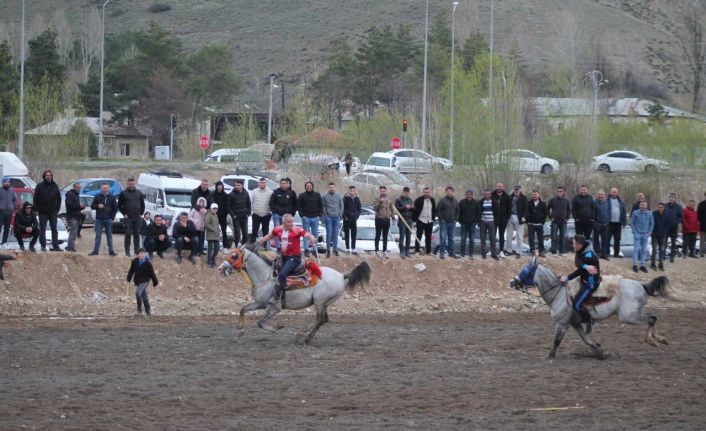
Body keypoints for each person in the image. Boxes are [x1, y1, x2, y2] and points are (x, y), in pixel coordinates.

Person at [259, 214, 317, 306]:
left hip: (294, 257)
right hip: (283, 256)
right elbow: (270, 235)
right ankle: (274, 289)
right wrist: (262, 240)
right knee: (272, 270)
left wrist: (312, 238)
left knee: (282, 275)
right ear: (284, 222)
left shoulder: (297, 230)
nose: (291, 224)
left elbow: (306, 234)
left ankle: (277, 297)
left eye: (292, 222)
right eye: (289, 222)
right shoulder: (278, 229)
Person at [560, 234, 600, 323]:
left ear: (579, 244)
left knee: (576, 305)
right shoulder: (581, 250)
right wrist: (586, 267)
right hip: (583, 278)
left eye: (574, 243)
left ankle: (589, 320)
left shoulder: (589, 256)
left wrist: (567, 278)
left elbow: (579, 270)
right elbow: (577, 262)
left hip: (590, 283)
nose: (572, 245)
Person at [33, 170, 62, 251]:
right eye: (47, 175)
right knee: (42, 229)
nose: (49, 176)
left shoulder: (55, 186)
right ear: (44, 176)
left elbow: (59, 198)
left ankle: (55, 246)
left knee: (54, 229)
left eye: (50, 175)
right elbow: (35, 198)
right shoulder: (39, 186)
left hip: (53, 212)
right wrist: (37, 209)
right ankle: (43, 245)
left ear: (52, 176)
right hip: (43, 212)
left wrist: (57, 209)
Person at [118, 177, 146, 257]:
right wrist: (124, 214)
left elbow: (142, 204)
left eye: (133, 184)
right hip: (128, 217)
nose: (132, 185)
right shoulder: (123, 193)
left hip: (137, 217)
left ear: (135, 184)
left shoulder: (139, 193)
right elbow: (119, 205)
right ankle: (127, 252)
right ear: (127, 184)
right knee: (128, 234)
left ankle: (137, 251)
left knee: (137, 234)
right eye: (130, 184)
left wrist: (141, 213)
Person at [126, 248, 159, 317]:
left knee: (138, 293)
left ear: (145, 254)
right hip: (137, 281)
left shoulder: (148, 263)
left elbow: (152, 273)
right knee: (143, 295)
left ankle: (139, 310)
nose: (141, 255)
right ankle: (148, 311)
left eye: (143, 253)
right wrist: (129, 278)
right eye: (140, 253)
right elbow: (131, 270)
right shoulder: (134, 261)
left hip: (145, 281)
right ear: (138, 254)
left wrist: (155, 281)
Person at [89, 183, 118, 256]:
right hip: (99, 219)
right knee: (98, 235)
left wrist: (112, 218)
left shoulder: (112, 197)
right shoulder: (97, 196)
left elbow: (115, 209)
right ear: (101, 189)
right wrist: (98, 206)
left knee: (109, 236)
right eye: (104, 188)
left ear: (109, 189)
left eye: (107, 188)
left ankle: (111, 251)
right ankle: (95, 251)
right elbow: (92, 206)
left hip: (108, 219)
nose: (106, 189)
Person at [269, 178, 297, 248]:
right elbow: (271, 203)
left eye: (284, 184)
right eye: (282, 184)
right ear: (280, 184)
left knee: (286, 231)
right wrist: (274, 212)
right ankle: (278, 247)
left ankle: (285, 246)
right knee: (278, 231)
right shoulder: (275, 192)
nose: (283, 185)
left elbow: (295, 204)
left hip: (287, 216)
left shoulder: (291, 193)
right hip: (277, 215)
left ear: (287, 184)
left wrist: (292, 213)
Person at [298, 181, 323, 257]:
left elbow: (321, 206)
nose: (309, 187)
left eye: (310, 186)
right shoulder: (302, 195)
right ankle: (306, 250)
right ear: (305, 187)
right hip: (306, 218)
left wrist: (319, 215)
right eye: (307, 186)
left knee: (315, 235)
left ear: (312, 187)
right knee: (306, 235)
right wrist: (302, 216)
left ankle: (314, 250)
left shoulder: (317, 195)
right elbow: (299, 207)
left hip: (315, 217)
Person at [630, 200, 654, 273]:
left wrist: (649, 233)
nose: (642, 206)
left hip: (645, 234)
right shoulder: (635, 213)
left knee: (644, 250)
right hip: (637, 233)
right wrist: (635, 232)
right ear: (639, 205)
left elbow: (651, 224)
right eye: (641, 205)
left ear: (646, 206)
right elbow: (632, 223)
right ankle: (634, 265)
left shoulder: (649, 213)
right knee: (636, 250)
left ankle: (642, 265)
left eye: (644, 205)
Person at [437, 186, 460, 259]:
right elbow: (438, 210)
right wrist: (442, 219)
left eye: (450, 191)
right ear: (445, 192)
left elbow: (458, 211)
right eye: (447, 191)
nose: (449, 192)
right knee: (443, 238)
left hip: (452, 222)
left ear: (452, 192)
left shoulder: (455, 201)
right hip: (444, 222)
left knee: (452, 238)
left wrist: (456, 219)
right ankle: (442, 253)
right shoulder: (442, 200)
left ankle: (452, 253)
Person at [505, 184, 527, 258]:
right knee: (509, 235)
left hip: (519, 218)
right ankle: (509, 250)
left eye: (517, 189)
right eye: (515, 189)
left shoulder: (524, 198)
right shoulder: (510, 197)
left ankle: (519, 251)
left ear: (520, 190)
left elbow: (526, 209)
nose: (516, 191)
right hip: (510, 218)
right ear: (513, 190)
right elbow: (506, 207)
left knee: (519, 236)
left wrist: (524, 216)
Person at [547, 186, 571, 255]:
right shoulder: (552, 200)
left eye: (561, 191)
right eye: (558, 191)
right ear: (556, 192)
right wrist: (550, 217)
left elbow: (569, 211)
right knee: (554, 236)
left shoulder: (566, 200)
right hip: (555, 221)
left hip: (563, 222)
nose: (559, 192)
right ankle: (553, 250)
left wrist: (567, 219)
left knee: (562, 236)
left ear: (563, 192)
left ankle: (561, 250)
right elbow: (547, 209)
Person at [413, 187, 437, 255]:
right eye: (425, 192)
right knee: (419, 236)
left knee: (428, 237)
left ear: (430, 192)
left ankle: (428, 251)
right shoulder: (418, 200)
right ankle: (417, 251)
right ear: (423, 192)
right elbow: (414, 211)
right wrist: (415, 221)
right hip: (421, 220)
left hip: (429, 221)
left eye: (428, 192)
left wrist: (433, 218)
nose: (427, 193)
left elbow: (434, 210)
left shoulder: (432, 200)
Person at [322, 182, 343, 257]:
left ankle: (335, 249)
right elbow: (323, 206)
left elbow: (341, 206)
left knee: (336, 234)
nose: (331, 189)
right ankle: (328, 250)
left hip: (337, 218)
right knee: (329, 234)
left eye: (333, 187)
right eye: (330, 187)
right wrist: (326, 215)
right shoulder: (324, 196)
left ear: (335, 188)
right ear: (328, 188)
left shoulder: (338, 196)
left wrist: (340, 215)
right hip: (329, 218)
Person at [250, 178, 273, 245]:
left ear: (266, 183)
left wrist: (270, 212)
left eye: (263, 183)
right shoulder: (254, 191)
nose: (262, 184)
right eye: (261, 182)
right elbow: (251, 202)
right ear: (258, 183)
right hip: (256, 214)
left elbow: (272, 203)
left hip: (266, 214)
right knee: (254, 231)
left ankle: (265, 247)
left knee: (265, 232)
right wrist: (252, 212)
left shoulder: (270, 192)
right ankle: (252, 246)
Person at [228, 180, 251, 247]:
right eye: (236, 185)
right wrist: (233, 215)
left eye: (238, 185)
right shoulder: (231, 194)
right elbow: (228, 206)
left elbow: (249, 204)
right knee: (237, 234)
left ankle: (243, 246)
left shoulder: (246, 193)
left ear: (242, 186)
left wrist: (248, 213)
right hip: (236, 217)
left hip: (244, 216)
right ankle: (236, 246)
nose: (237, 187)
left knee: (245, 234)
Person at [373, 185, 394, 258]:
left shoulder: (389, 199)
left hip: (387, 219)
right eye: (381, 191)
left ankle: (384, 250)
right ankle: (376, 250)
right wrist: (380, 202)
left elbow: (391, 208)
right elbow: (375, 208)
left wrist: (392, 215)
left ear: (386, 191)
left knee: (385, 236)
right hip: (379, 219)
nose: (382, 192)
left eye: (383, 191)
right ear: (379, 191)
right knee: (378, 235)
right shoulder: (377, 198)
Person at [491, 183, 512, 257]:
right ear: (496, 187)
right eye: (498, 186)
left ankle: (501, 251)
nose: (499, 187)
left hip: (503, 219)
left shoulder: (507, 197)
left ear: (503, 188)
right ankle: (492, 250)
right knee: (492, 235)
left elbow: (509, 209)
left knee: (501, 235)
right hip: (494, 218)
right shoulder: (492, 195)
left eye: (500, 186)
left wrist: (507, 218)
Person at [458, 189, 480, 259]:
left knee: (472, 239)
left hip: (472, 224)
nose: (469, 195)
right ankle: (462, 253)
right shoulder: (461, 202)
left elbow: (478, 213)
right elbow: (458, 212)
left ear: (472, 195)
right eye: (467, 194)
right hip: (464, 224)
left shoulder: (476, 203)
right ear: (466, 195)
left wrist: (475, 222)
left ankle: (471, 254)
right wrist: (460, 221)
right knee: (463, 239)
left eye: (470, 194)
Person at [64, 182, 85, 252]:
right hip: (72, 216)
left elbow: (75, 207)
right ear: (74, 187)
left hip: (76, 216)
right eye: (78, 187)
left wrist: (81, 208)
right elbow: (69, 205)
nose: (79, 189)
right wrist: (79, 206)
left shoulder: (76, 195)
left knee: (74, 233)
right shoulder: (70, 195)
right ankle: (70, 248)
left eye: (80, 187)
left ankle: (71, 247)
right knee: (73, 232)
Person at [479, 189, 499, 260]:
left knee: (493, 239)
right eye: (485, 194)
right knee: (483, 239)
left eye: (488, 194)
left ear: (490, 195)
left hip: (491, 222)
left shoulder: (494, 202)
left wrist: (495, 221)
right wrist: (479, 221)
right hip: (483, 222)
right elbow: (479, 212)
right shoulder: (481, 202)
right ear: (484, 195)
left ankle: (494, 254)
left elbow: (497, 212)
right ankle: (483, 254)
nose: (487, 195)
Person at [607, 187, 627, 258]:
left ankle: (616, 254)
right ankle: (607, 253)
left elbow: (624, 211)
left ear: (617, 193)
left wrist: (624, 222)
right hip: (609, 223)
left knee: (617, 239)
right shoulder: (607, 200)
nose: (614, 193)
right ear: (610, 192)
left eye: (615, 192)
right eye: (612, 192)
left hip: (618, 223)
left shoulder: (620, 201)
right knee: (607, 238)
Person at [395, 187, 415, 258]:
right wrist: (405, 207)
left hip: (409, 219)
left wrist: (412, 207)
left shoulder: (410, 200)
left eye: (408, 193)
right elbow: (396, 209)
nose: (406, 194)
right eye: (405, 193)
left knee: (409, 236)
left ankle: (407, 251)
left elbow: (414, 209)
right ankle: (402, 252)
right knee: (402, 236)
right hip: (402, 220)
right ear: (403, 192)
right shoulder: (398, 200)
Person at [527, 189, 547, 257]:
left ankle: (541, 251)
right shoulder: (528, 203)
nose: (534, 196)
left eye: (535, 194)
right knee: (531, 238)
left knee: (540, 238)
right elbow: (526, 213)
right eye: (533, 194)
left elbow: (545, 214)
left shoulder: (543, 204)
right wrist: (528, 222)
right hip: (531, 224)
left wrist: (542, 222)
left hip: (539, 224)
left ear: (538, 195)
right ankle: (532, 251)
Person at [210, 181, 231, 248]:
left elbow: (227, 205)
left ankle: (225, 246)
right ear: (216, 187)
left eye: (221, 186)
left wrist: (226, 212)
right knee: (214, 231)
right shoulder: (213, 194)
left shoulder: (226, 195)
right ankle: (214, 245)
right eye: (218, 186)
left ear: (222, 187)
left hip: (223, 216)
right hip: (215, 216)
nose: (219, 187)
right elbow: (211, 204)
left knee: (224, 231)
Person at [664, 193, 683, 262]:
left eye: (673, 197)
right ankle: (663, 255)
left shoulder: (679, 207)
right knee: (664, 242)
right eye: (671, 197)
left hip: (674, 227)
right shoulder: (665, 206)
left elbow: (681, 217)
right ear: (669, 198)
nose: (672, 199)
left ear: (675, 199)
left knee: (673, 243)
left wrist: (676, 222)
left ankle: (672, 256)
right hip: (665, 227)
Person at [343, 186, 361, 255]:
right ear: (348, 191)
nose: (352, 192)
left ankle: (353, 249)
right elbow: (342, 209)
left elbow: (359, 209)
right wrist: (345, 217)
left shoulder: (357, 199)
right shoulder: (345, 199)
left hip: (354, 220)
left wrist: (357, 216)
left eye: (353, 190)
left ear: (355, 191)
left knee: (354, 235)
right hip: (347, 220)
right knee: (347, 235)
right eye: (351, 190)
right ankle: (347, 249)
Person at [592, 190, 610, 260]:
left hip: (605, 224)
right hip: (597, 223)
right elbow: (592, 212)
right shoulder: (594, 203)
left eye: (602, 194)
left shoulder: (607, 203)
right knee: (596, 239)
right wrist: (594, 221)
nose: (600, 196)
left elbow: (609, 212)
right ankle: (596, 253)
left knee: (605, 240)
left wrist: (608, 220)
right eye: (599, 194)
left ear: (604, 196)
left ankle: (604, 254)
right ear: (597, 195)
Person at [651, 203, 668, 271]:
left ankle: (660, 264)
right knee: (654, 249)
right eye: (658, 207)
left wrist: (664, 233)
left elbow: (667, 225)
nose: (660, 208)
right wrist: (653, 232)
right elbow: (651, 223)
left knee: (662, 250)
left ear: (663, 208)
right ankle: (653, 264)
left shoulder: (666, 215)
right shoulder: (653, 214)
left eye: (661, 207)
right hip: (655, 235)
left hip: (662, 235)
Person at [0, 176, 16, 244]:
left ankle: (4, 241)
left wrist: (13, 207)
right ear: (3, 183)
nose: (7, 183)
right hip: (1, 211)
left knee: (7, 228)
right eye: (5, 182)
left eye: (8, 182)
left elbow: (14, 200)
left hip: (9, 212)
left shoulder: (12, 190)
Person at [205, 203, 221, 268]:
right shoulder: (208, 215)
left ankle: (213, 257)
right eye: (213, 209)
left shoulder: (216, 215)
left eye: (216, 209)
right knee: (210, 248)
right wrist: (214, 229)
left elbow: (217, 224)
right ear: (211, 209)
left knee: (217, 248)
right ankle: (209, 261)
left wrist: (218, 229)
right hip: (210, 234)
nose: (215, 210)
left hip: (216, 235)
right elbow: (207, 224)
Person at [698, 192, 706, 258]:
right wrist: (702, 222)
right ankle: (701, 254)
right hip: (703, 226)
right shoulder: (701, 204)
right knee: (702, 241)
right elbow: (698, 215)